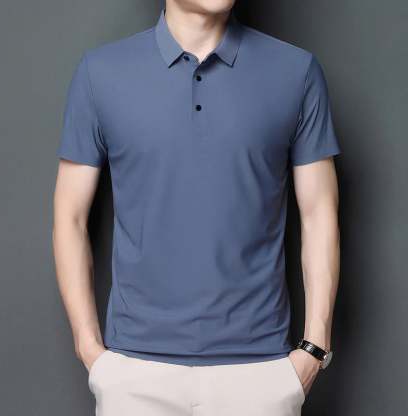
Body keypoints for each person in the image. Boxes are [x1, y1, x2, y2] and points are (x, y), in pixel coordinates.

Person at [52, 1, 341, 415]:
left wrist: (314, 348)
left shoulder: (296, 71)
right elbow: (70, 216)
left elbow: (319, 214)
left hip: (260, 372)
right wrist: (89, 348)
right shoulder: (100, 73)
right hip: (134, 371)